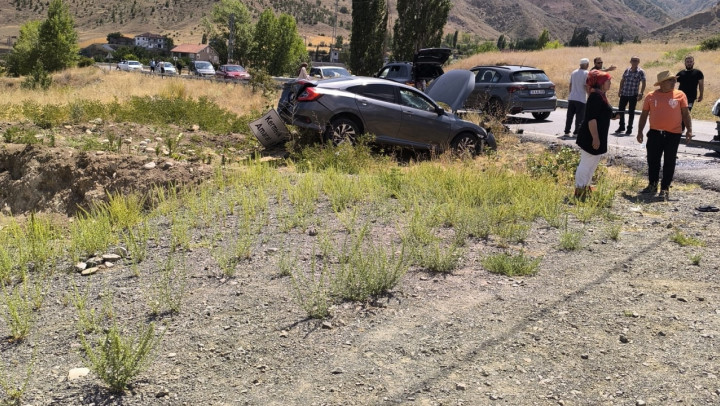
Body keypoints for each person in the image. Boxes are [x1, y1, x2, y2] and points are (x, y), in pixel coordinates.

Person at [636, 71, 693, 200]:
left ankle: (665, 188)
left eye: (674, 80)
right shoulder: (651, 96)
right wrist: (639, 131)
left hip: (673, 134)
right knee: (653, 160)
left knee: (669, 161)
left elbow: (685, 113)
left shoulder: (680, 95)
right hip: (655, 133)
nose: (674, 82)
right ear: (661, 83)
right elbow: (644, 114)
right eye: (671, 80)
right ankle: (652, 185)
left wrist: (689, 129)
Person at [574, 70, 617, 199]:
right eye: (608, 81)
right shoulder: (595, 96)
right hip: (591, 136)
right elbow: (591, 119)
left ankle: (585, 187)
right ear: (600, 83)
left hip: (597, 135)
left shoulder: (600, 95)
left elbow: (600, 113)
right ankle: (579, 189)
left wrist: (613, 116)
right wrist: (595, 138)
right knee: (586, 163)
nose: (610, 83)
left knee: (592, 163)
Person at [615, 56, 646, 135]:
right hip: (624, 93)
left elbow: (643, 83)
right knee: (621, 110)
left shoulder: (640, 72)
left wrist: (641, 93)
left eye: (636, 60)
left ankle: (629, 128)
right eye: (633, 60)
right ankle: (621, 126)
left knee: (631, 112)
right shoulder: (627, 70)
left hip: (633, 94)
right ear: (630, 61)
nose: (634, 62)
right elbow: (622, 80)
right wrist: (620, 90)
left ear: (638, 62)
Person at [676, 55, 704, 133]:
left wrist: (701, 95)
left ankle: (682, 129)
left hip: (691, 97)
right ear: (685, 63)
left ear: (693, 63)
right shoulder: (681, 73)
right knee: (679, 112)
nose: (689, 63)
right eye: (687, 62)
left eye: (690, 62)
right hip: (680, 97)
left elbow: (701, 85)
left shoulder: (698, 73)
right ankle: (679, 128)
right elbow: (671, 82)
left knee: (687, 113)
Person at [564, 58, 590, 137]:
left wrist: (570, 94)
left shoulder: (574, 72)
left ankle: (567, 131)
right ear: (586, 65)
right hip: (581, 98)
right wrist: (589, 95)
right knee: (579, 116)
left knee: (569, 116)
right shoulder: (586, 73)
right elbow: (586, 86)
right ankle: (576, 132)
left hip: (572, 97)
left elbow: (570, 85)